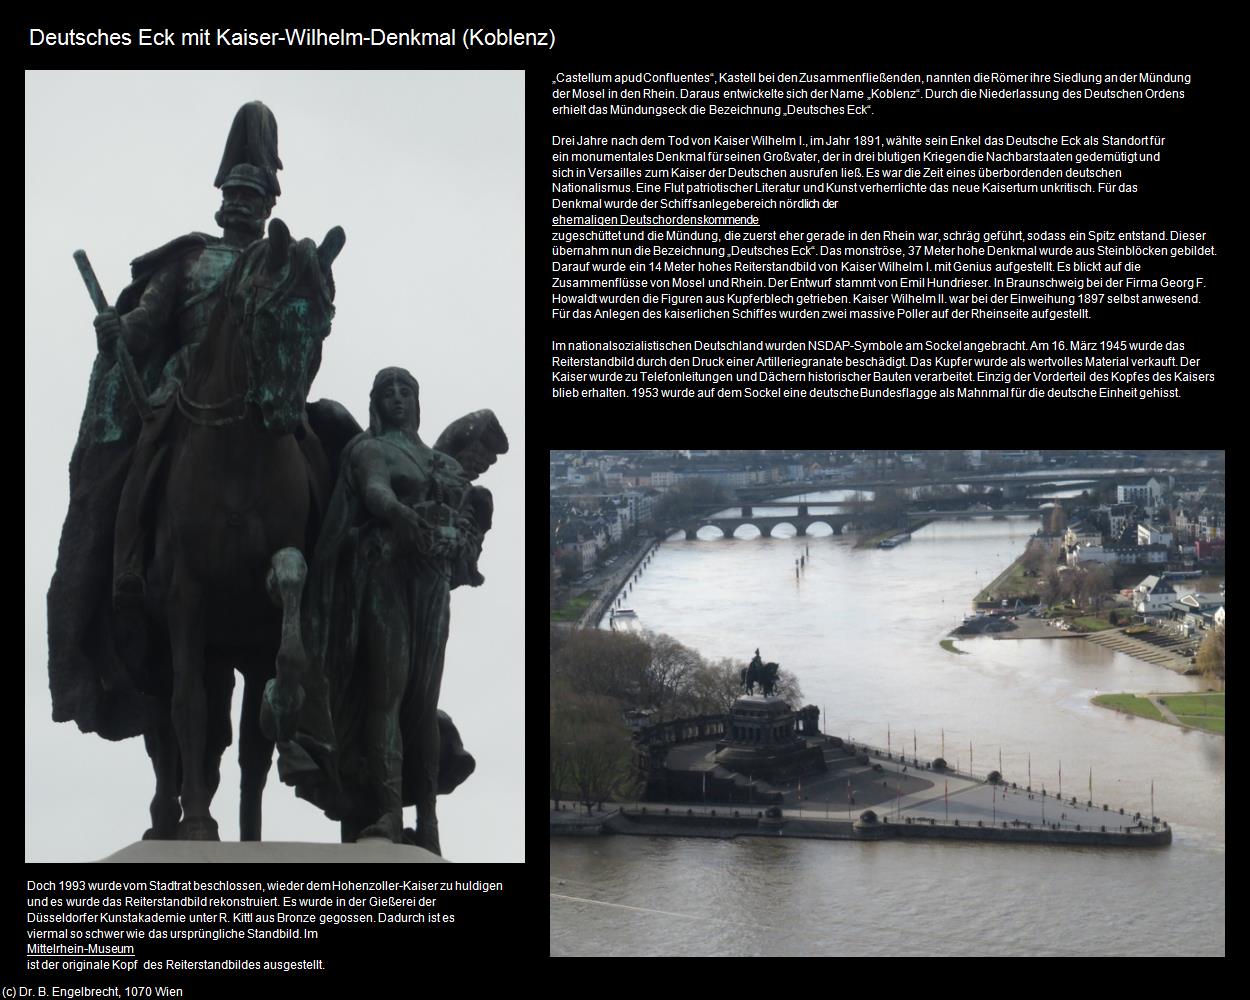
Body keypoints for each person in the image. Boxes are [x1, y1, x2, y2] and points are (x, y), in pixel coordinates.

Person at [47, 102, 285, 738]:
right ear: (219, 202)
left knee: (321, 445)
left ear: (267, 207)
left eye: (251, 195)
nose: (239, 203)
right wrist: (117, 329)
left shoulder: (279, 265)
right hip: (185, 387)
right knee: (145, 456)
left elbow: (298, 329)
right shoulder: (188, 260)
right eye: (232, 194)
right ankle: (127, 564)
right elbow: (149, 321)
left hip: (264, 391)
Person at [277, 367, 505, 854]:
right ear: (375, 403)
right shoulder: (368, 450)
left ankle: (428, 821)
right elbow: (376, 491)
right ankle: (387, 809)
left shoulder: (437, 459)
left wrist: (461, 528)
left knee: (422, 706)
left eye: (406, 390)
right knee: (388, 694)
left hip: (430, 583)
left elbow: (464, 508)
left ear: (417, 400)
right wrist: (401, 515)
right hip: (383, 577)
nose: (398, 398)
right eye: (388, 392)